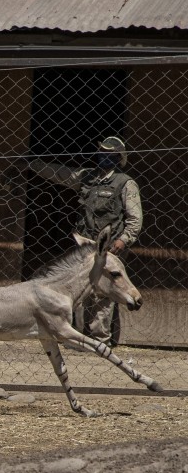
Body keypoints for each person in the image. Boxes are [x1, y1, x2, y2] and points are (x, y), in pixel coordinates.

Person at [26, 136, 143, 346]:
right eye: (101, 152)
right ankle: (76, 336)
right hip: (83, 245)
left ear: (118, 158)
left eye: (109, 153)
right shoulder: (87, 177)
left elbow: (135, 219)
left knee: (104, 293)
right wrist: (32, 164)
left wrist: (123, 240)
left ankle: (100, 340)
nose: (104, 156)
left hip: (109, 246)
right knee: (77, 287)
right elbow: (60, 174)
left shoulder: (125, 183)